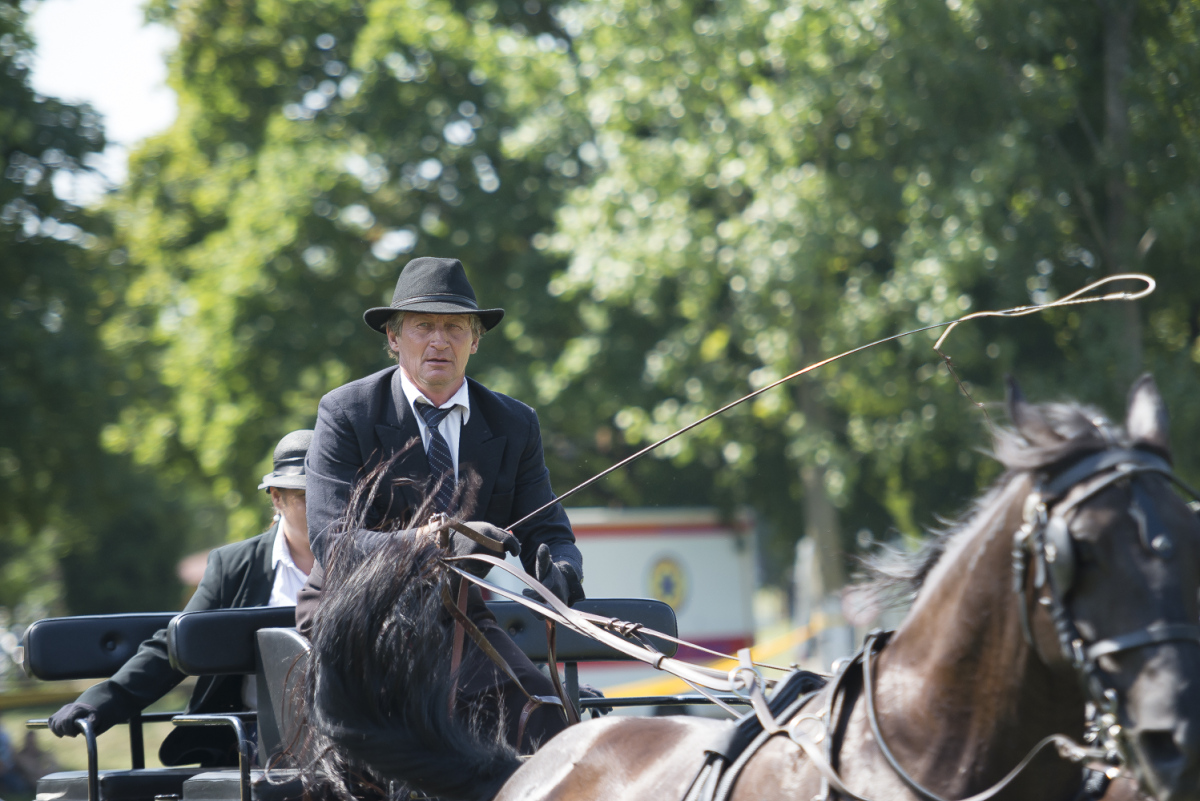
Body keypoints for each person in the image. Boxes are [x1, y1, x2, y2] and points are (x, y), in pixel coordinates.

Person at [299, 256, 584, 751]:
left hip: (460, 619)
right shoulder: (346, 413)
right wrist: (433, 541)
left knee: (550, 728)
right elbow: (333, 543)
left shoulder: (515, 423)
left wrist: (559, 571)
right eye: (423, 326)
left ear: (475, 341)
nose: (439, 341)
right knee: (420, 737)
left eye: (455, 327)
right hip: (356, 614)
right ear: (393, 337)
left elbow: (551, 531)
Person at [46, 430, 315, 767]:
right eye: (305, 495)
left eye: (332, 491)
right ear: (276, 498)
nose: (323, 505)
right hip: (261, 737)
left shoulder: (364, 560)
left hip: (352, 731)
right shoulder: (235, 567)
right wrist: (99, 702)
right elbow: (173, 647)